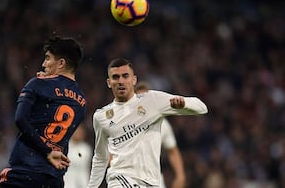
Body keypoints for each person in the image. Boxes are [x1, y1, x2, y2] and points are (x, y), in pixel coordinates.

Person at [86, 58, 207, 188]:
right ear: (109, 83)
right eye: (116, 77)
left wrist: (184, 105)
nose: (120, 81)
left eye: (125, 76)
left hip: (153, 182)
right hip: (120, 178)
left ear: (134, 80)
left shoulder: (152, 100)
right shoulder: (101, 116)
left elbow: (202, 108)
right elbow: (100, 157)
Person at [0, 36, 87, 188]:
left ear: (61, 63)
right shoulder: (81, 101)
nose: (43, 64)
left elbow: (21, 119)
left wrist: (47, 151)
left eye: (48, 58)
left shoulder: (38, 84)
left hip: (26, 171)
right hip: (54, 178)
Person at [135, 81, 185, 188]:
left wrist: (180, 175)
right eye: (140, 98)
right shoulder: (124, 123)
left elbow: (172, 150)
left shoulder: (162, 124)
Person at [64, 123, 93, 188]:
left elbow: (85, 170)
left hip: (80, 183)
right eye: (76, 131)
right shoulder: (65, 147)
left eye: (80, 132)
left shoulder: (86, 149)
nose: (78, 134)